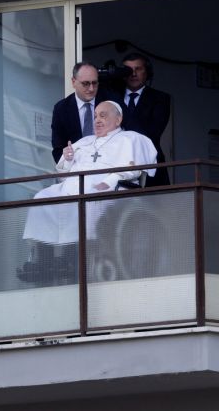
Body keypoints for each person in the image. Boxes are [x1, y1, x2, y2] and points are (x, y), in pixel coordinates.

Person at [19, 100, 157, 285]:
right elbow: (63, 171)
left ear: (118, 119)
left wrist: (108, 182)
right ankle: (43, 260)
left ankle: (71, 259)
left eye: (103, 115)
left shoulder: (130, 139)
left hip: (105, 190)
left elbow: (133, 170)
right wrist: (67, 158)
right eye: (95, 116)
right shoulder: (85, 141)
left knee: (85, 201)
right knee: (42, 198)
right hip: (71, 186)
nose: (97, 120)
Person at [50, 61, 121, 163]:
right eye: (85, 84)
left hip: (109, 164)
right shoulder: (61, 109)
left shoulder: (111, 101)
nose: (91, 89)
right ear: (73, 82)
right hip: (77, 168)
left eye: (94, 83)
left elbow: (128, 131)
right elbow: (58, 148)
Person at [120, 52, 171, 186]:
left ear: (147, 72)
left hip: (150, 164)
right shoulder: (112, 97)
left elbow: (151, 134)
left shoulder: (161, 98)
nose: (133, 74)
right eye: (128, 70)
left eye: (138, 69)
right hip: (116, 164)